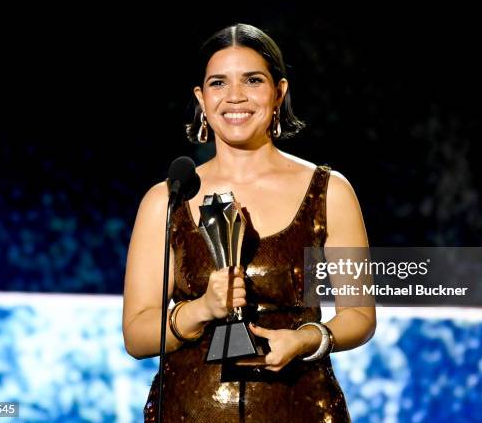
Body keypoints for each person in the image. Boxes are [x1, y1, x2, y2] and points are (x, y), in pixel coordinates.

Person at [122, 23, 376, 422]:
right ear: (201, 99)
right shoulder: (167, 199)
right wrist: (202, 308)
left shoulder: (329, 191)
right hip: (187, 412)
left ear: (279, 93)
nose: (235, 96)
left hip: (302, 408)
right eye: (218, 83)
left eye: (252, 80)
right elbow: (137, 335)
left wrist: (306, 338)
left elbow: (359, 316)